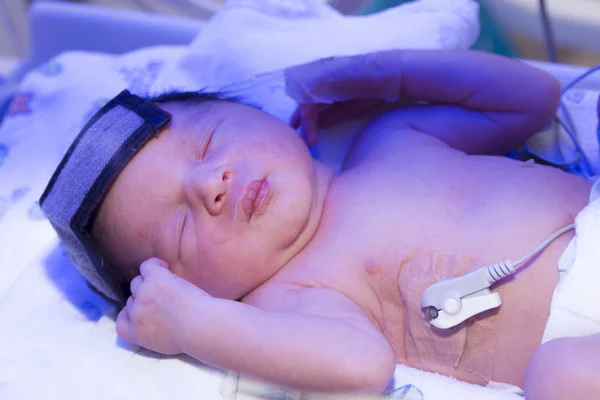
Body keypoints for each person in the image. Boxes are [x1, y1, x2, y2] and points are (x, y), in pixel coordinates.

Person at [41, 49, 597, 400]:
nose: (210, 183)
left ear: (259, 114)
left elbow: (529, 98)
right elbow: (360, 366)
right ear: (190, 286)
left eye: (210, 141)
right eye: (181, 225)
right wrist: (194, 326)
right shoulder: (292, 295)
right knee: (558, 380)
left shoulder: (388, 140)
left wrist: (387, 73)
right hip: (584, 338)